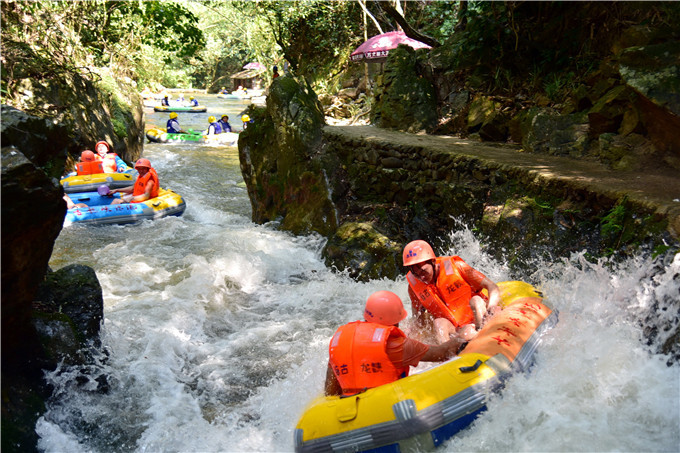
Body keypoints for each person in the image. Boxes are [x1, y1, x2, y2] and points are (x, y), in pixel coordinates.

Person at [324, 290, 465, 396]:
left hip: (347, 408)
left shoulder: (340, 340)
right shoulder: (396, 345)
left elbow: (330, 391)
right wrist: (461, 338)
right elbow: (441, 353)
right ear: (395, 320)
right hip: (385, 408)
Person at [403, 240, 502, 344]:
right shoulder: (414, 288)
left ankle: (486, 335)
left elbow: (492, 287)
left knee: (476, 300)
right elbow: (418, 319)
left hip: (478, 317)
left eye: (423, 271)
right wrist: (409, 332)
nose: (421, 277)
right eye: (416, 274)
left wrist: (491, 307)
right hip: (457, 329)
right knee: (439, 323)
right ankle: (448, 355)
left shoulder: (458, 266)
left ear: (432, 262)